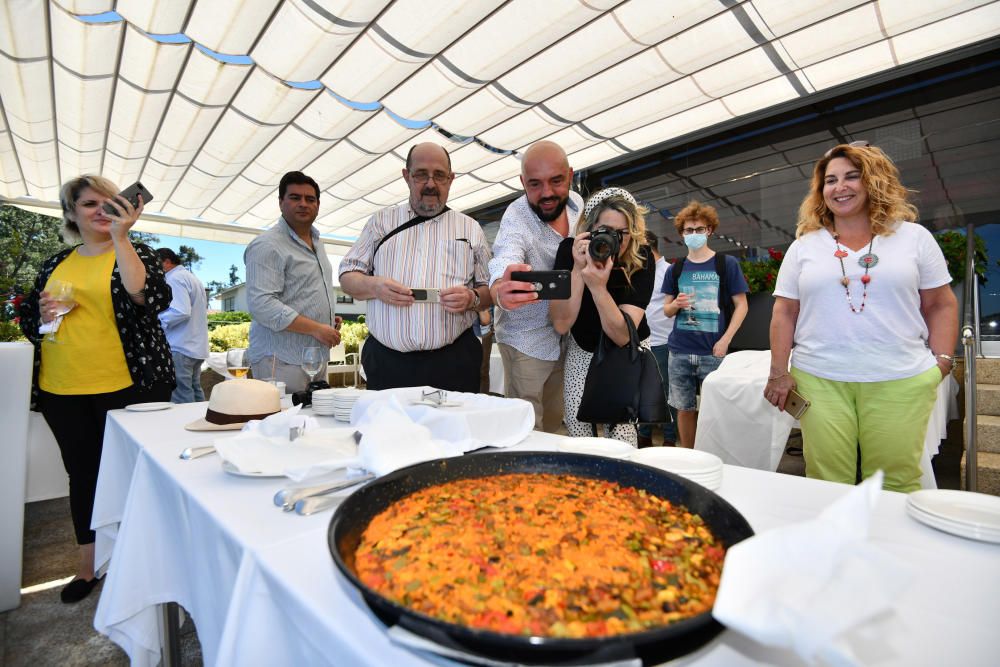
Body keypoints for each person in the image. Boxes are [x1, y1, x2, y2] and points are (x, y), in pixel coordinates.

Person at [764, 142, 958, 493]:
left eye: (852, 177)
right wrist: (779, 373)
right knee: (824, 483)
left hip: (900, 379)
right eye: (831, 180)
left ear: (874, 181)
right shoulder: (804, 246)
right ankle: (834, 548)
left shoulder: (914, 238)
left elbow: (940, 304)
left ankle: (889, 548)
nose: (840, 187)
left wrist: (941, 363)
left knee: (895, 484)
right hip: (819, 379)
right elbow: (784, 310)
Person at [19, 175, 174, 603]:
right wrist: (42, 312)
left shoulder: (134, 251)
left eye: (109, 202)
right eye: (90, 204)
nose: (101, 210)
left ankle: (147, 559)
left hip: (129, 385)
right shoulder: (55, 264)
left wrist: (123, 239)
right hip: (61, 386)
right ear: (71, 213)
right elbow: (34, 324)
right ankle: (89, 566)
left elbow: (150, 297)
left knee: (138, 476)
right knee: (83, 475)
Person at [339, 142, 492, 392]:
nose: (431, 184)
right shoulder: (381, 223)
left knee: (454, 431)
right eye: (421, 174)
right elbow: (347, 276)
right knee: (389, 432)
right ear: (406, 176)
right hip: (389, 363)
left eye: (439, 175)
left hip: (454, 363)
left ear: (451, 179)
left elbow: (488, 290)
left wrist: (472, 298)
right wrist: (374, 286)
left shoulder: (470, 228)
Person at [489, 140, 582, 432]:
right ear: (522, 183)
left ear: (570, 175)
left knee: (555, 424)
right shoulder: (517, 217)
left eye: (556, 181)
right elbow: (505, 256)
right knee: (525, 428)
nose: (547, 193)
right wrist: (500, 289)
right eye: (534, 184)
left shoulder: (578, 205)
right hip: (524, 340)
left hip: (567, 338)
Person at [550, 188, 655, 445]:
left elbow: (622, 336)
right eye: (605, 232)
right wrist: (577, 269)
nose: (612, 241)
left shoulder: (641, 257)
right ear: (589, 229)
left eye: (622, 234)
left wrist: (598, 287)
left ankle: (621, 482)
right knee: (576, 424)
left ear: (633, 233)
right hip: (583, 345)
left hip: (627, 350)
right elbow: (562, 324)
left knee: (621, 432)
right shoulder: (570, 250)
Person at [662, 201, 749, 448]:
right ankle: (690, 455)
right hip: (679, 351)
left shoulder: (725, 264)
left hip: (714, 351)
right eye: (689, 230)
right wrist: (676, 305)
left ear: (709, 230)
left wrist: (726, 340)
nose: (694, 235)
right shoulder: (676, 268)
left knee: (717, 411)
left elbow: (742, 305)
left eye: (699, 229)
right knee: (684, 409)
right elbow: (666, 310)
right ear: (681, 234)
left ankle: (716, 456)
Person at [244, 171, 340, 393]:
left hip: (313, 357)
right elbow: (262, 304)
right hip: (280, 360)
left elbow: (302, 293)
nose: (303, 204)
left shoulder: (318, 243)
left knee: (312, 423)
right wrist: (316, 327)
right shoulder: (267, 245)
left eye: (310, 199)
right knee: (281, 424)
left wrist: (324, 317)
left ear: (318, 205)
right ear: (281, 203)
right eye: (295, 197)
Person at [637, 230, 678, 447]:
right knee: (644, 390)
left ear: (647, 245)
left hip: (663, 341)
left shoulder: (669, 271)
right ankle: (644, 435)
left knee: (665, 392)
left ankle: (670, 439)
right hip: (642, 341)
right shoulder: (639, 271)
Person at [157, 247, 209, 403]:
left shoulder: (174, 278)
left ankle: (184, 426)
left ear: (166, 262)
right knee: (194, 388)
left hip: (181, 345)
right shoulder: (191, 277)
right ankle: (201, 422)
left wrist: (156, 320)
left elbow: (180, 311)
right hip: (195, 346)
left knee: (181, 393)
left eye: (154, 264)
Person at [473, 306, 495, 393]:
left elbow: (486, 319)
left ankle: (483, 399)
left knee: (482, 371)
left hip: (482, 331)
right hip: (476, 330)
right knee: (482, 372)